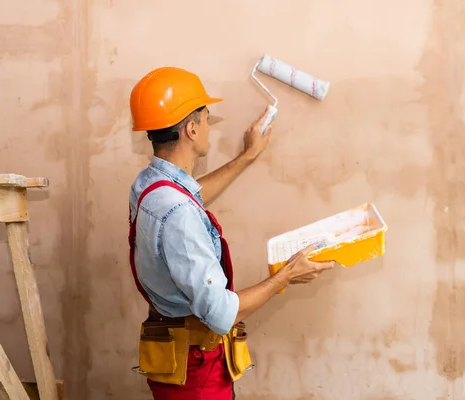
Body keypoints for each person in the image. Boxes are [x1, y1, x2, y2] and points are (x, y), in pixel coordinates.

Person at [127, 66, 336, 400]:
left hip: (172, 361)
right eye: (207, 119)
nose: (210, 127)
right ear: (191, 129)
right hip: (196, 376)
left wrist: (247, 156)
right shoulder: (179, 215)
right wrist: (286, 276)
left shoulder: (150, 185)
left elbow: (189, 198)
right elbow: (222, 313)